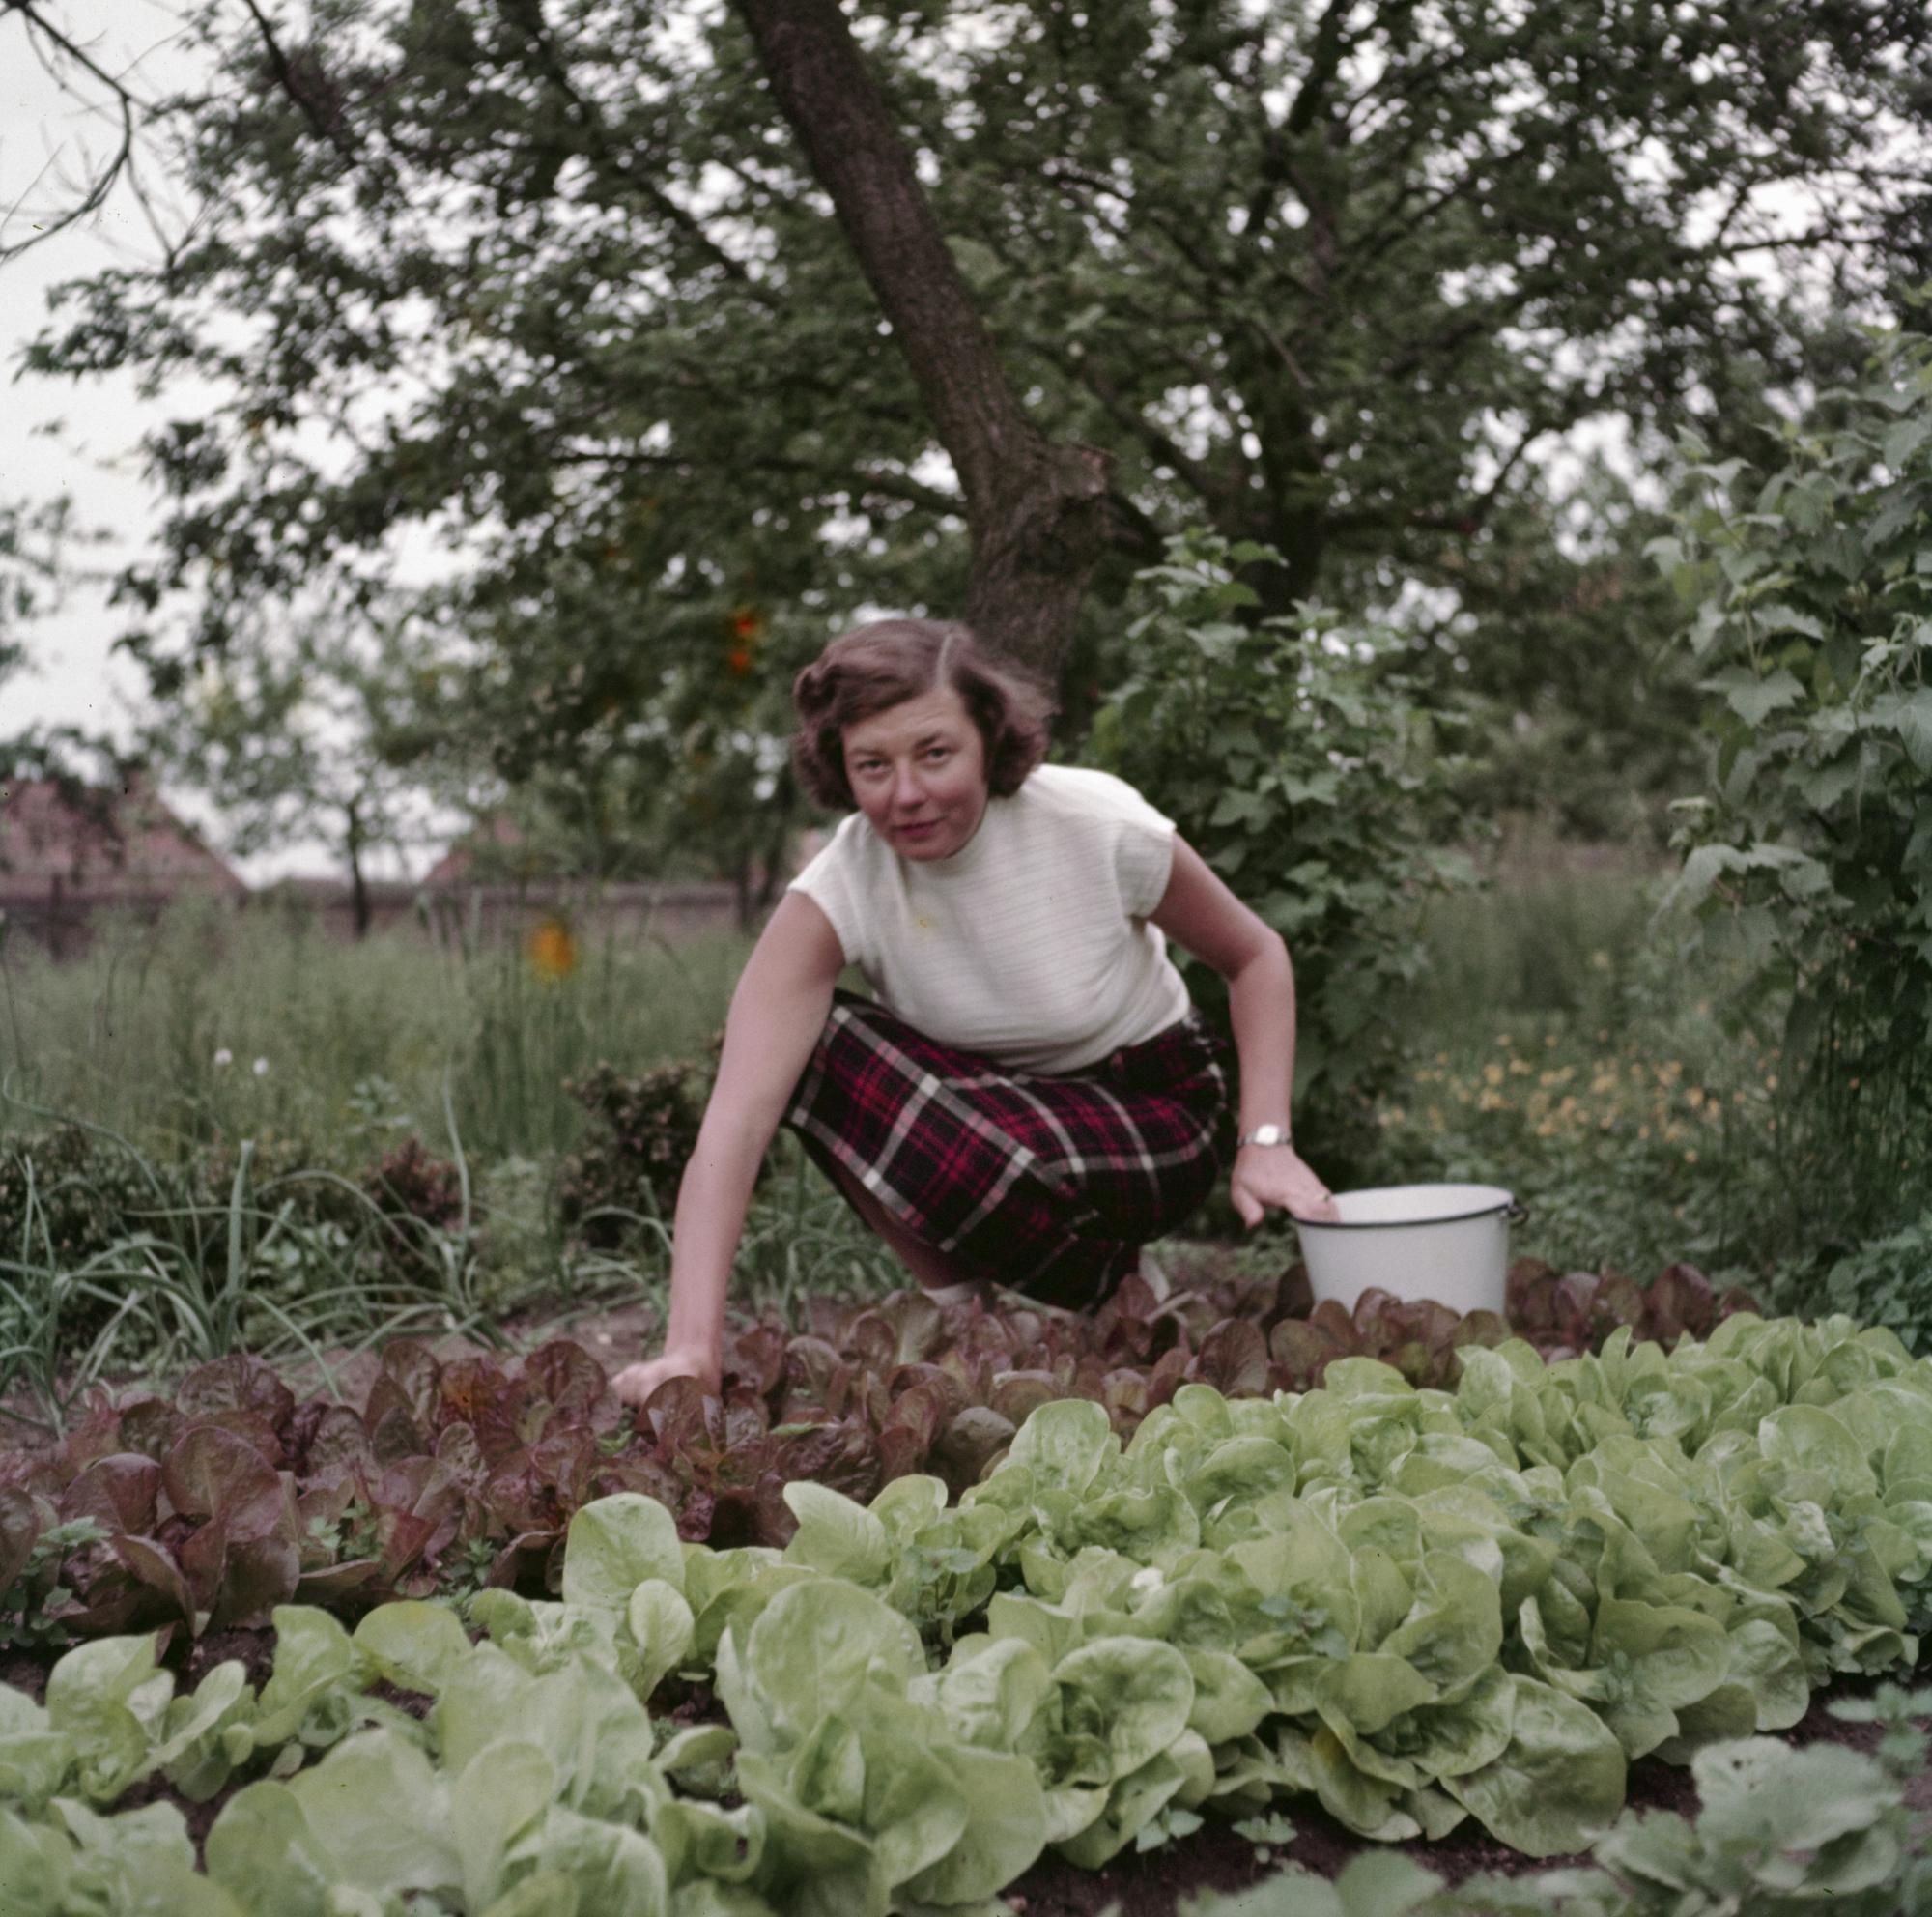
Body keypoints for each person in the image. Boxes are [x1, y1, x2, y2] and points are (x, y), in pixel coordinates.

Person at [611, 618, 1337, 1407]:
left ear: (988, 738)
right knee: (811, 1052)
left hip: (1151, 1112)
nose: (908, 794)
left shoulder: (1097, 824)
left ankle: (1113, 1286)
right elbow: (735, 1123)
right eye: (873, 766)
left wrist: (1265, 1139)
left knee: (973, 1150)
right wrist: (691, 1347)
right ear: (839, 770)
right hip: (989, 1112)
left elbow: (1255, 956)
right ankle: (965, 1314)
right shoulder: (840, 885)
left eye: (934, 753)